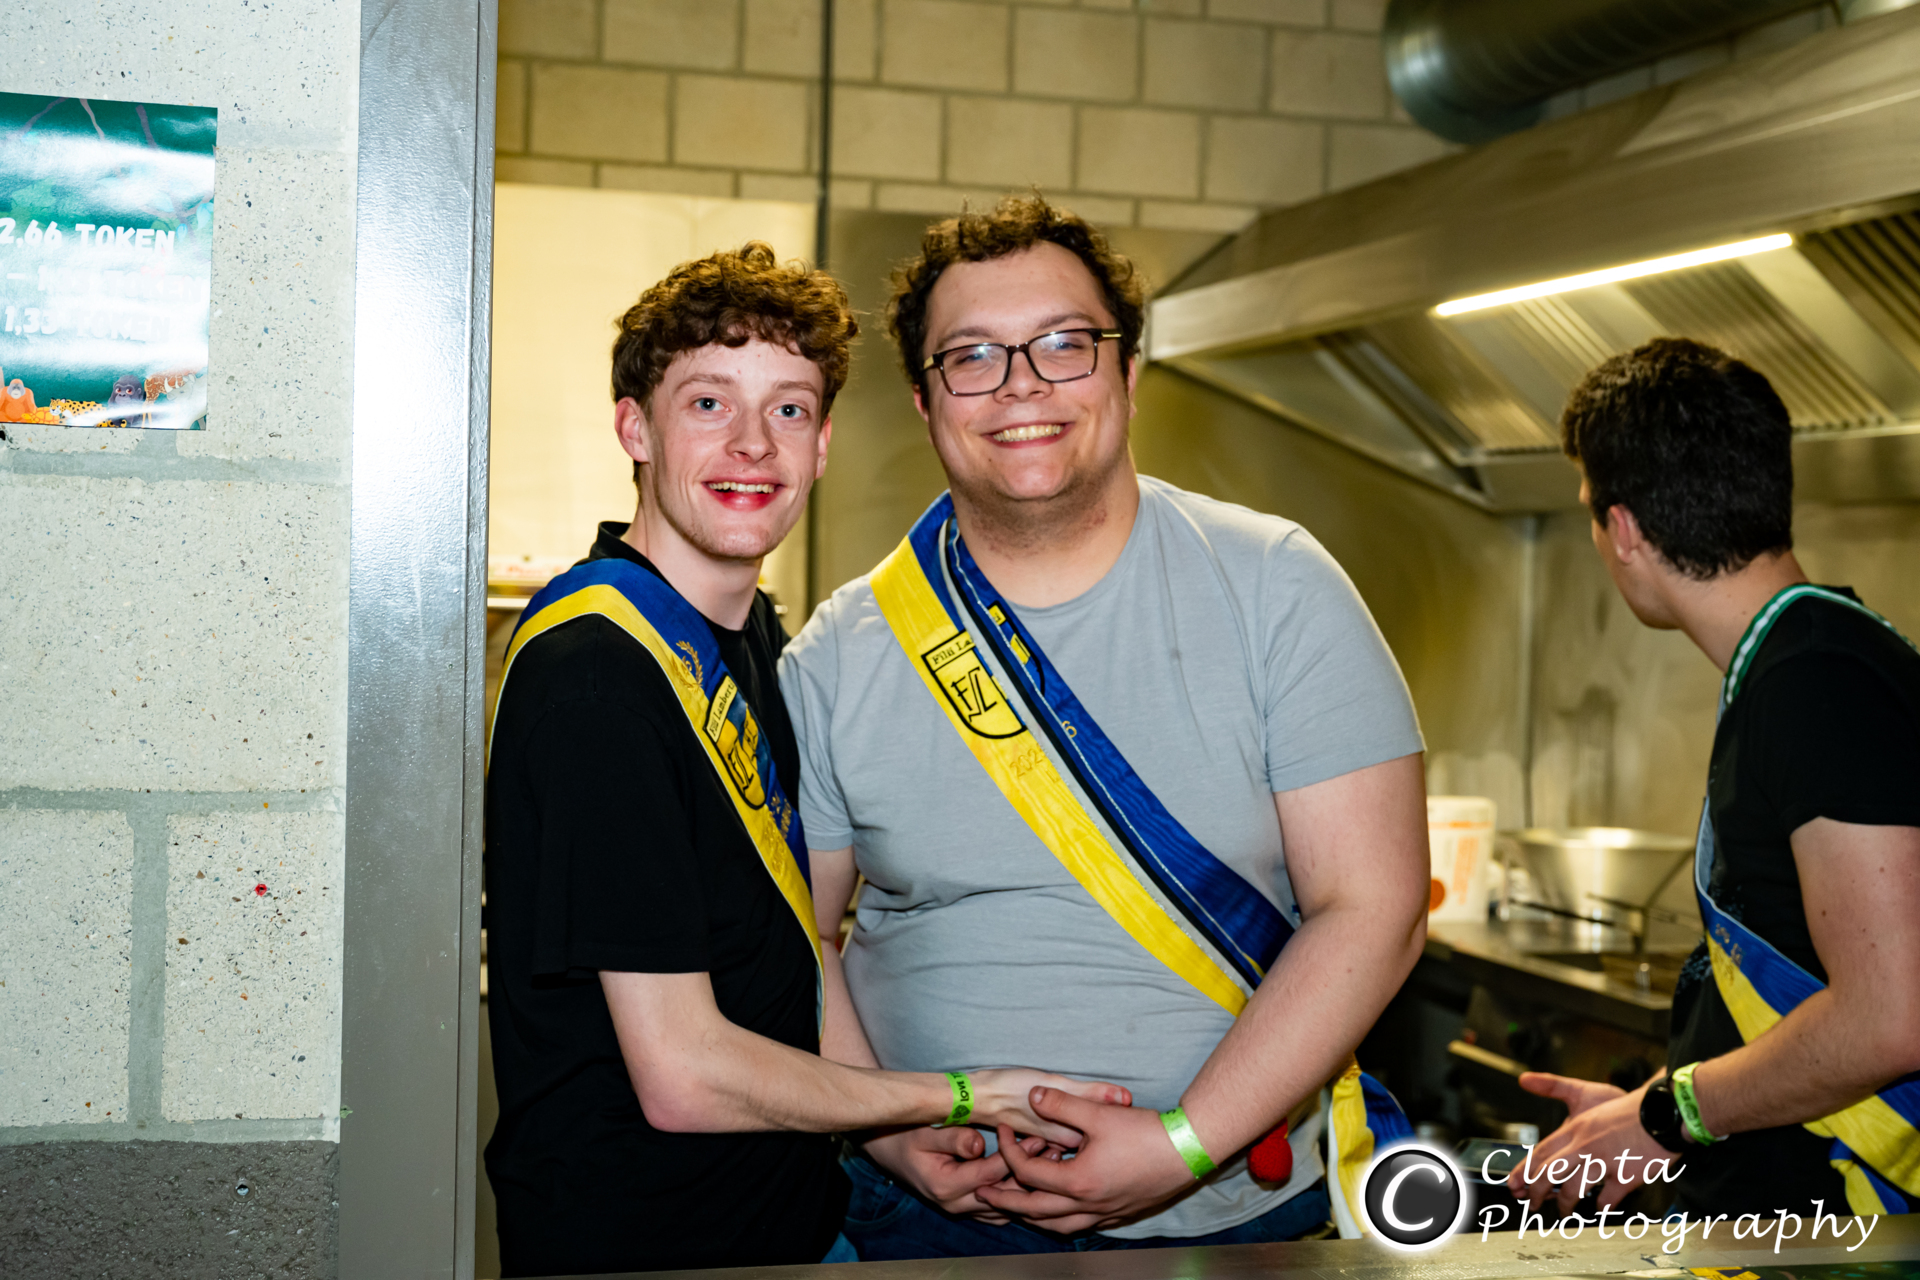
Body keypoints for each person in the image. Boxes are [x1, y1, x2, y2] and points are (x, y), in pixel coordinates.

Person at [778, 195, 1433, 1257]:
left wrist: (1187, 1142)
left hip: (1231, 1217)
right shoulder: (837, 654)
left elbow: (1374, 905)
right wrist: (889, 1128)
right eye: (973, 356)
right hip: (927, 1222)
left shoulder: (1279, 587)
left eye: (1063, 343)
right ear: (926, 401)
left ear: (1128, 371)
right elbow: (793, 938)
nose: (1021, 384)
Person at [483, 242, 1127, 1278]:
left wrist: (888, 1136)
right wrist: (957, 1095)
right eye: (707, 403)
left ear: (821, 445)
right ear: (634, 427)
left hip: (789, 1224)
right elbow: (685, 1074)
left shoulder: (747, 637)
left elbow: (784, 947)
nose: (752, 443)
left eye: (787, 409)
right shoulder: (597, 675)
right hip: (645, 1248)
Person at [1509, 337, 1920, 1221]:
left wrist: (1668, 1114)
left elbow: (1892, 1015)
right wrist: (1645, 1109)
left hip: (1843, 1236)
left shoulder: (1818, 683)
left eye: (1590, 515)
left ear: (1625, 529)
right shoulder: (1804, 663)